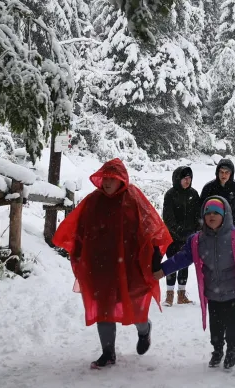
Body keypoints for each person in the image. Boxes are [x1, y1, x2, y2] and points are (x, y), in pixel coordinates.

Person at [53, 158, 172, 370]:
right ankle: (108, 352)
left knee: (135, 306)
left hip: (130, 266)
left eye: (112, 178)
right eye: (105, 178)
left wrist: (154, 259)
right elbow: (79, 230)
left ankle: (144, 331)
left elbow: (151, 230)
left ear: (121, 180)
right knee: (103, 308)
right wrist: (80, 255)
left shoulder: (133, 199)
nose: (107, 182)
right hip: (100, 266)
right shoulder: (92, 201)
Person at [154, 197, 235, 369]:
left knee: (233, 324)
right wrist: (163, 270)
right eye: (208, 213)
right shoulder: (197, 240)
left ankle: (232, 349)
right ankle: (218, 349)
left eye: (216, 213)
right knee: (216, 326)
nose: (211, 216)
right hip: (212, 292)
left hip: (234, 291)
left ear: (224, 215)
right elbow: (181, 258)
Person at [162, 166, 200, 306]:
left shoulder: (194, 194)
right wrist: (178, 231)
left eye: (189, 178)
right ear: (178, 179)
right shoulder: (170, 194)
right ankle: (169, 296)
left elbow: (198, 215)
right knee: (172, 264)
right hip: (172, 237)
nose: (187, 181)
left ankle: (181, 295)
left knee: (184, 265)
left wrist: (196, 230)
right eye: (184, 178)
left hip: (189, 237)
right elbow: (168, 217)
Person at [200, 158, 235, 228]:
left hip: (231, 227)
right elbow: (201, 208)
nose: (224, 175)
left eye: (227, 172)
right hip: (212, 228)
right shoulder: (208, 187)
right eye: (221, 172)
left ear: (231, 173)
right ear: (217, 172)